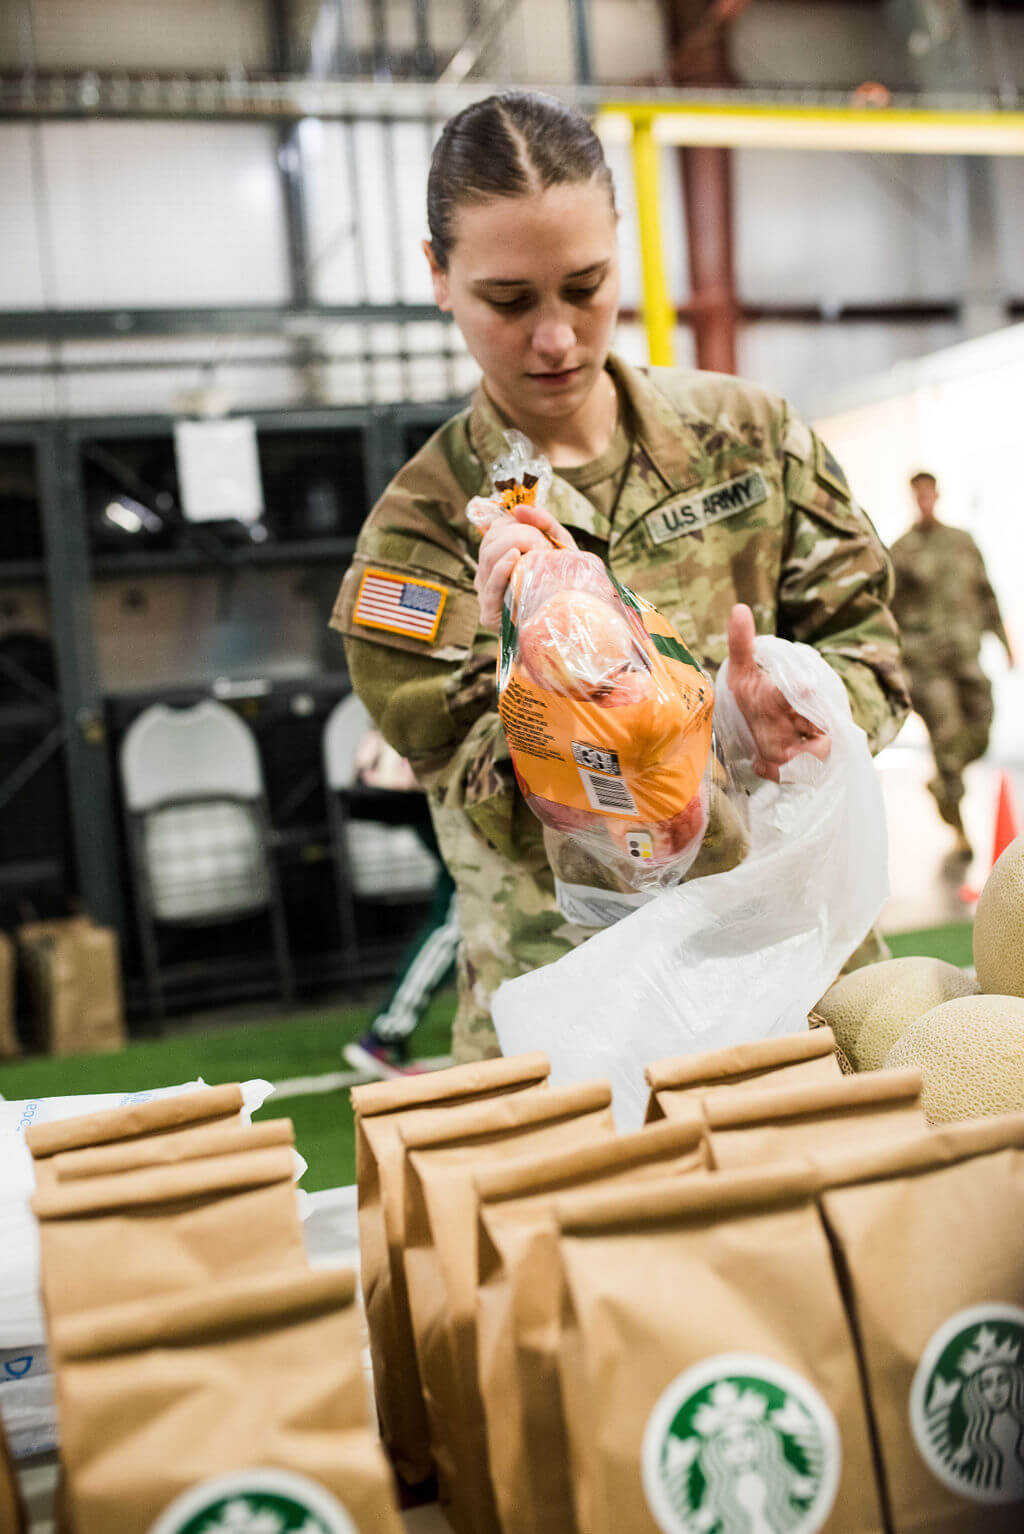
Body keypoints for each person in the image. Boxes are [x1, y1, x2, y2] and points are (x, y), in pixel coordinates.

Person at [330, 90, 909, 1064]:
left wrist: (793, 711)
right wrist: (573, 675)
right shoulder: (418, 540)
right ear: (438, 276)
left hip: (800, 988)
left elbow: (876, 659)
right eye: (508, 300)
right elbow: (496, 823)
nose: (554, 337)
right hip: (579, 1023)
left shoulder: (748, 440)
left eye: (585, 286)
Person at [890, 470, 1013, 858]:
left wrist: (1006, 643)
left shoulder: (963, 542)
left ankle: (943, 785)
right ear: (913, 498)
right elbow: (887, 614)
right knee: (946, 737)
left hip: (966, 657)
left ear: (937, 495)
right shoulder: (901, 551)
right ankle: (960, 830)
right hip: (926, 666)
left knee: (981, 728)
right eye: (918, 494)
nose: (925, 500)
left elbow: (986, 593)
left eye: (930, 493)